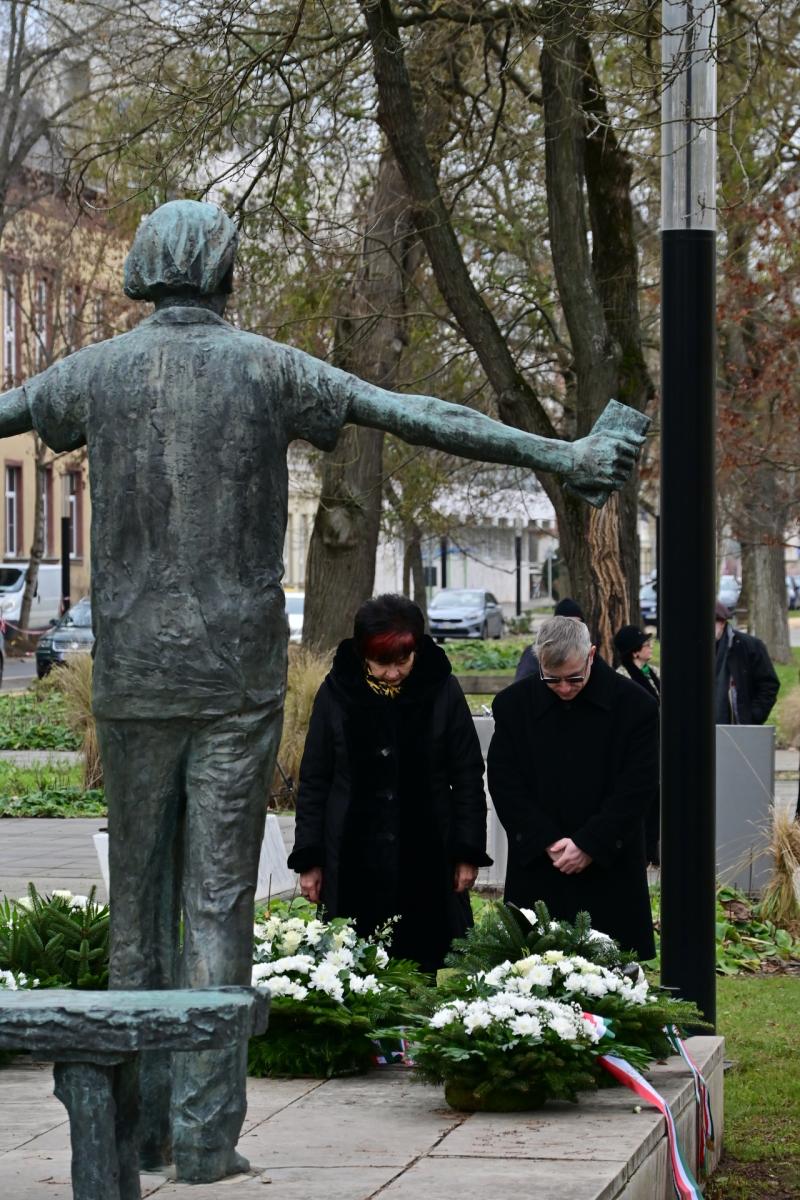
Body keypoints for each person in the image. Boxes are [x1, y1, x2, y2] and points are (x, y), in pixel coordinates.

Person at [0, 200, 645, 1181]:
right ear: (223, 272)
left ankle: (132, 1134)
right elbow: (420, 414)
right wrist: (556, 456)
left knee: (138, 904)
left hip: (133, 672)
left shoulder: (93, 373)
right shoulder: (267, 366)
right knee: (216, 902)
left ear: (143, 268)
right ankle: (206, 1141)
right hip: (233, 673)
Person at [289, 595, 490, 973]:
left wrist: (467, 851)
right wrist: (310, 858)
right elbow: (316, 780)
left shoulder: (442, 690)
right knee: (354, 970)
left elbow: (466, 775)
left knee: (433, 968)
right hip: (352, 855)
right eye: (383, 664)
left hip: (430, 853)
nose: (394, 673)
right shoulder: (336, 694)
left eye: (403, 661)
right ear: (364, 654)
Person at [488, 616, 657, 959]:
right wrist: (545, 839)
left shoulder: (635, 706)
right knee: (529, 978)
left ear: (592, 655)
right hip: (540, 863)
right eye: (552, 679)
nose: (564, 688)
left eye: (574, 678)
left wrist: (590, 843)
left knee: (612, 980)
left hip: (609, 863)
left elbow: (637, 786)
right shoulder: (513, 706)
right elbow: (505, 781)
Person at [614, 624, 660, 864]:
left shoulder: (653, 672)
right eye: (645, 644)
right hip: (636, 749)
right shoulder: (622, 676)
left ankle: (653, 848)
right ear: (634, 651)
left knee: (657, 802)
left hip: (657, 746)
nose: (650, 647)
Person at [715, 602, 780, 725]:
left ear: (722, 623)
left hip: (738, 727)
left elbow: (769, 685)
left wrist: (754, 716)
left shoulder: (750, 646)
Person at [514, 597, 585, 682]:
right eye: (565, 625)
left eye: (576, 625)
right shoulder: (535, 652)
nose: (570, 630)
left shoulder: (587, 652)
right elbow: (522, 685)